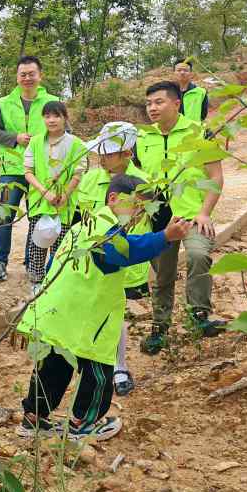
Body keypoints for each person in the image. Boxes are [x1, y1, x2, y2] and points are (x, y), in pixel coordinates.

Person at [16, 174, 192, 441]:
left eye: (142, 209)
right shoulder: (104, 227)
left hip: (58, 312)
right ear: (113, 198)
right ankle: (83, 424)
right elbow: (120, 252)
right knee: (97, 371)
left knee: (53, 364)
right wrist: (164, 237)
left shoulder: (81, 226)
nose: (137, 213)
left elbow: (56, 264)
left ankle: (33, 419)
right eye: (135, 205)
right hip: (87, 318)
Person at [136, 81, 226, 355]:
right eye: (149, 103)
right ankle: (160, 327)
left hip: (191, 215)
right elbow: (137, 179)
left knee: (199, 255)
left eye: (159, 102)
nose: (152, 108)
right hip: (159, 220)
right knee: (163, 274)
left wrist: (204, 212)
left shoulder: (200, 133)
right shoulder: (142, 138)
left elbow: (216, 177)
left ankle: (199, 316)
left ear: (177, 103)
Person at [75, 122, 149, 396]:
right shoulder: (91, 179)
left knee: (116, 315)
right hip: (88, 260)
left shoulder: (142, 183)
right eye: (101, 153)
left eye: (108, 153)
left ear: (127, 153)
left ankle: (119, 367)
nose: (101, 158)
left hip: (122, 262)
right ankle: (91, 362)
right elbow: (78, 219)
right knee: (91, 311)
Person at [0, 56, 59, 283]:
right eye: (23, 74)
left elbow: (63, 131)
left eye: (31, 74)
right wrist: (14, 138)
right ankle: (0, 261)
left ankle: (32, 262)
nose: (27, 78)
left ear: (40, 75)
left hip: (41, 170)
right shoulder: (5, 102)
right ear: (17, 77)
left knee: (36, 217)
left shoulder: (52, 101)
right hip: (12, 168)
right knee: (5, 216)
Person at [22, 101, 87, 295]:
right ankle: (36, 284)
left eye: (56, 115)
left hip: (64, 205)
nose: (51, 120)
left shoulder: (76, 143)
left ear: (65, 118)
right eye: (47, 116)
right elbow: (28, 172)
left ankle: (56, 285)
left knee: (60, 247)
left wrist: (66, 194)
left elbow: (78, 173)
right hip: (40, 202)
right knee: (37, 245)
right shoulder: (35, 142)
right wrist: (45, 192)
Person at [173, 59, 209, 123]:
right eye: (179, 70)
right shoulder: (168, 92)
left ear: (191, 73)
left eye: (185, 70)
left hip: (193, 131)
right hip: (174, 131)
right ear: (174, 73)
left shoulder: (201, 92)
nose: (182, 72)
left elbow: (203, 115)